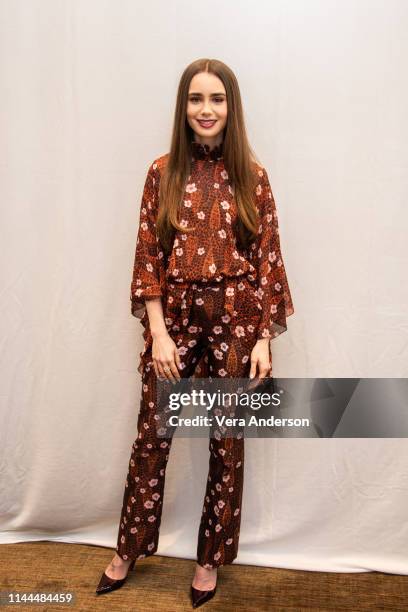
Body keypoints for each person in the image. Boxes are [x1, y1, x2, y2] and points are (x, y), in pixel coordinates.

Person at [96, 57, 294, 608]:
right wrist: (158, 333)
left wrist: (262, 339)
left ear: (232, 107)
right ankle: (127, 550)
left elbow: (267, 261)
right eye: (195, 99)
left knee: (226, 444)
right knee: (151, 441)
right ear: (183, 108)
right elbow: (147, 257)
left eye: (217, 99)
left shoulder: (254, 178)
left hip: (236, 322)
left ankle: (209, 560)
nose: (206, 110)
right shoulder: (163, 173)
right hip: (176, 321)